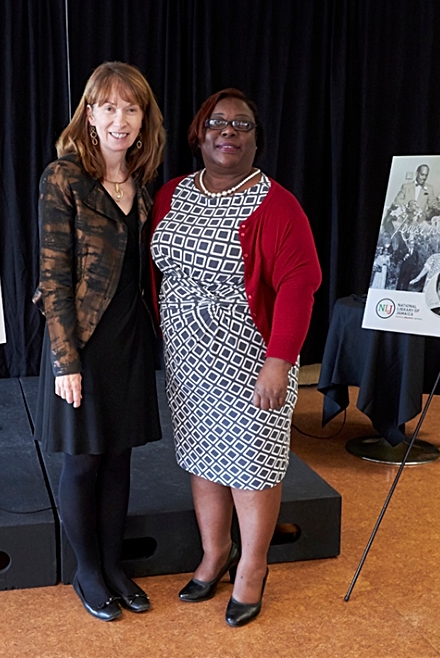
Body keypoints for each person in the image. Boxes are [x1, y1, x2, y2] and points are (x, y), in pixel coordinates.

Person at [150, 89, 321, 627]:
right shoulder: (172, 193)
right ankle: (214, 552)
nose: (228, 131)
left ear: (256, 138)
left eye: (241, 124)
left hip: (252, 358)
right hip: (187, 358)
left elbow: (299, 284)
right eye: (216, 122)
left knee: (251, 465)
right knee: (204, 460)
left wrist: (280, 361)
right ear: (199, 134)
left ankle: (251, 567)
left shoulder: (276, 204)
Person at [32, 62, 166, 622]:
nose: (120, 119)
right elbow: (53, 278)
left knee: (118, 460)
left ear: (143, 118)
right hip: (81, 345)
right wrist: (66, 361)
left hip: (129, 343)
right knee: (84, 462)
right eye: (108, 107)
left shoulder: (145, 184)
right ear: (89, 114)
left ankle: (114, 567)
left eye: (131, 108)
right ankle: (87, 572)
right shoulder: (63, 179)